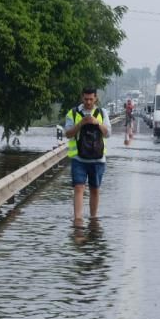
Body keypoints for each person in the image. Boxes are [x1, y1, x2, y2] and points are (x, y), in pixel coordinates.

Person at [64, 86, 111, 225]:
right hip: (79, 158)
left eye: (91, 99)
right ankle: (78, 220)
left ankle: (93, 219)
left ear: (95, 98)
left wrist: (97, 123)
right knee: (79, 187)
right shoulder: (72, 113)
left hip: (98, 159)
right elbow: (68, 134)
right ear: (82, 97)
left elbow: (108, 134)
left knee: (95, 188)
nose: (88, 102)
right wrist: (80, 124)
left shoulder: (102, 113)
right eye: (86, 99)